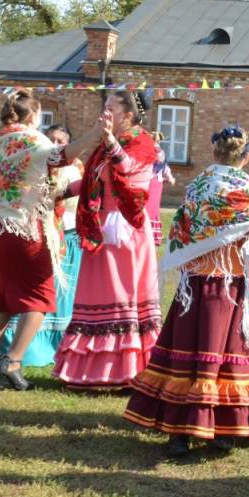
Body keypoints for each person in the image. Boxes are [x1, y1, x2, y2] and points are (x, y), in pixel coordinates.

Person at [125, 126, 249, 458]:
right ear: (246, 156)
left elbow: (183, 229)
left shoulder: (197, 186)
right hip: (227, 284)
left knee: (188, 356)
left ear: (213, 152)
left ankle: (180, 433)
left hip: (193, 284)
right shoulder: (247, 188)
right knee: (220, 358)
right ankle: (218, 429)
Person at [0, 89, 104, 390]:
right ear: (34, 115)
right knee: (39, 296)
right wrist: (95, 135)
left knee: (4, 297)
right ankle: (13, 362)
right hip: (24, 227)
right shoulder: (34, 139)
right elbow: (62, 157)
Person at [53, 91, 163, 390]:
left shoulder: (142, 142)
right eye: (104, 107)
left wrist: (110, 140)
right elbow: (93, 178)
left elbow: (128, 171)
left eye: (110, 109)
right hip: (100, 226)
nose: (104, 113)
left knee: (119, 294)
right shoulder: (105, 144)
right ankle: (88, 369)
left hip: (124, 231)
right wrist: (61, 192)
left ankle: (124, 370)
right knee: (95, 295)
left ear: (127, 116)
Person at [0, 125, 84, 366]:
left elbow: (79, 200)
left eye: (61, 140)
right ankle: (27, 347)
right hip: (38, 231)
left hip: (67, 233)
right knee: (38, 292)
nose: (56, 142)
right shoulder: (36, 161)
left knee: (63, 294)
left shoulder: (75, 167)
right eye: (52, 138)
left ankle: (59, 343)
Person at [146, 132, 175, 247]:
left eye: (157, 141)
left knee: (152, 209)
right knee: (148, 208)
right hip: (149, 181)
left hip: (154, 182)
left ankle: (152, 235)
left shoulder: (158, 152)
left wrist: (169, 177)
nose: (155, 143)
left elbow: (164, 166)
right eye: (154, 141)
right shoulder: (151, 150)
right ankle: (148, 234)